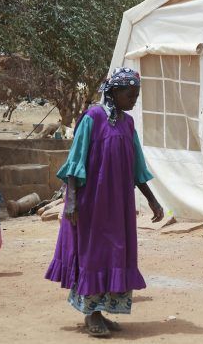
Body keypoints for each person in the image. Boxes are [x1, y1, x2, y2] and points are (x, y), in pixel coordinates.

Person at [45, 67, 164, 337]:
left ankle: (102, 309)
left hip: (118, 205)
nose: (134, 99)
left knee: (115, 253)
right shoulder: (92, 118)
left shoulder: (127, 123)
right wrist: (72, 203)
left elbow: (137, 168)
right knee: (94, 253)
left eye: (136, 95)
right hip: (92, 203)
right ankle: (91, 313)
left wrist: (154, 202)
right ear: (114, 92)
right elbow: (75, 163)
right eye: (130, 94)